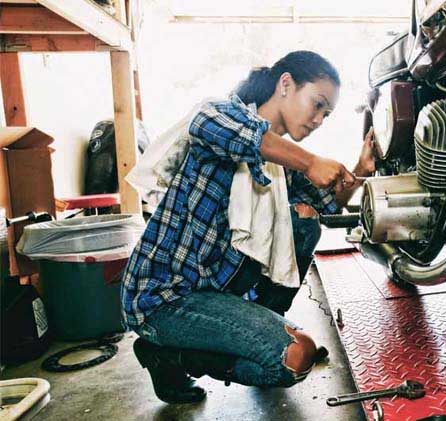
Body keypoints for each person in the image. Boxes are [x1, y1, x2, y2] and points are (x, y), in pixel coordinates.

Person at [121, 51, 378, 404]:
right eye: (317, 105)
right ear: (285, 84)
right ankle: (166, 355)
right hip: (163, 298)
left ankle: (268, 323)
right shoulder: (221, 113)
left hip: (217, 294)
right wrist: (310, 162)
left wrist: (362, 169)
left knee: (305, 224)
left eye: (327, 114)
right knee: (294, 357)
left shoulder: (281, 166)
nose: (319, 120)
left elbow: (329, 205)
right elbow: (211, 127)